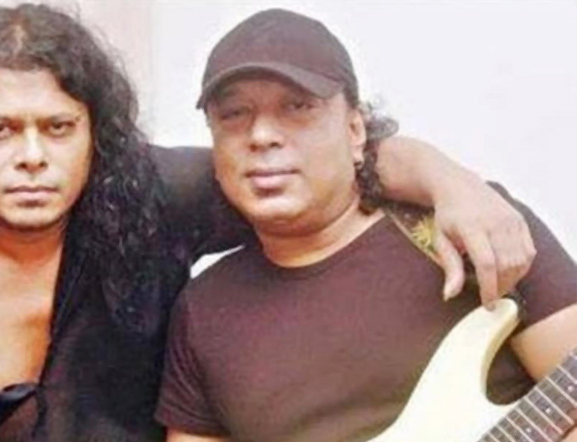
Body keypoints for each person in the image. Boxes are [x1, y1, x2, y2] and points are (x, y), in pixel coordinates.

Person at [0, 4, 537, 442]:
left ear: (95, 136)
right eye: (0, 129)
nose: (32, 156)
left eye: (58, 128)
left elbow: (316, 167)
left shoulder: (146, 197)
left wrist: (450, 181)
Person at [155, 9, 577, 442]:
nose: (261, 135)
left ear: (356, 130)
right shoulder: (202, 313)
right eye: (233, 113)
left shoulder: (473, 226)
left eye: (297, 106)